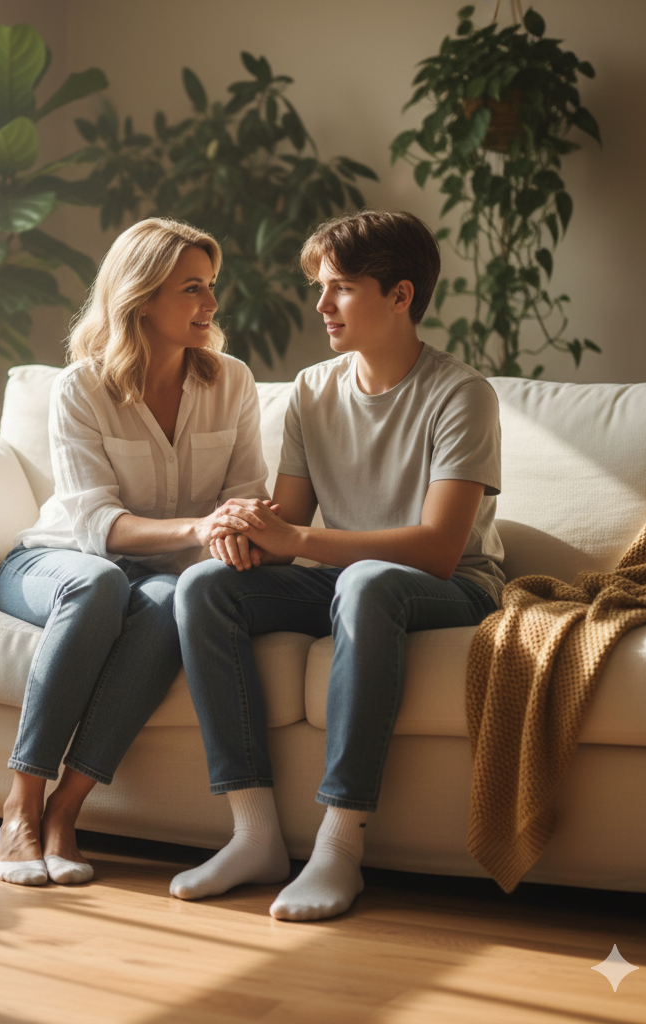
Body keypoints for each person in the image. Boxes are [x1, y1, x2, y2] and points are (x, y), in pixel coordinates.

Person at [171, 209, 505, 920]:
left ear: (400, 295)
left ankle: (339, 846)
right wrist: (243, 529)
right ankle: (254, 834)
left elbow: (440, 548)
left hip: (456, 586)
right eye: (320, 287)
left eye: (342, 288)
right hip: (352, 581)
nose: (322, 304)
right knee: (203, 586)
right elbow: (287, 526)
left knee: (367, 580)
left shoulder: (462, 395)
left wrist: (295, 537)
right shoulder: (311, 390)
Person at [0, 217, 271, 887]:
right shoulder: (81, 388)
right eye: (192, 288)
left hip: (155, 574)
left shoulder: (232, 382)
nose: (211, 304)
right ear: (141, 298)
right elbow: (96, 526)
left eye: (211, 286)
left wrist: (239, 527)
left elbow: (245, 496)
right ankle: (19, 806)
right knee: (100, 584)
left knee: (175, 601)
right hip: (54, 561)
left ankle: (66, 809)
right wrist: (200, 529)